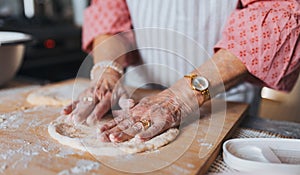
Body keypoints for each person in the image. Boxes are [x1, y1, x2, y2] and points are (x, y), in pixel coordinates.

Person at [63, 0, 299, 143]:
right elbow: (110, 11)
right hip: (137, 96)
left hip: (221, 100)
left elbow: (280, 16)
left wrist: (180, 98)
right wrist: (108, 71)